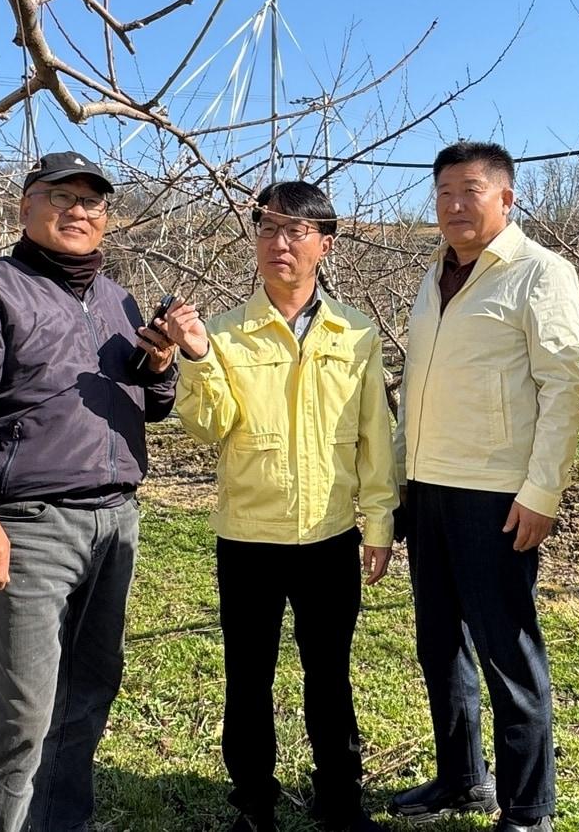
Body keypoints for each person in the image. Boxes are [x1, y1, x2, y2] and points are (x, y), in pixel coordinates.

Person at [0, 151, 180, 832]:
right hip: (28, 524)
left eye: (92, 202)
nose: (77, 211)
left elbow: (151, 405)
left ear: (107, 218)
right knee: (20, 716)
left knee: (87, 699)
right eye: (59, 196)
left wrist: (157, 364)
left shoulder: (118, 299)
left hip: (116, 521)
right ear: (25, 208)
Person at [158, 181, 397, 832]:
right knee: (248, 678)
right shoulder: (229, 334)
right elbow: (209, 427)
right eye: (267, 229)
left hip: (328, 534)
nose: (279, 243)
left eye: (296, 231)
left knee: (329, 678)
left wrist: (378, 522)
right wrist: (199, 356)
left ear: (326, 243)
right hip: (249, 536)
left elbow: (376, 436)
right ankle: (254, 804)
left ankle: (340, 801)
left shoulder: (356, 334)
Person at [388, 142, 579, 832]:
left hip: (497, 494)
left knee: (508, 650)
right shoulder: (434, 271)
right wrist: (400, 478)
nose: (453, 205)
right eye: (443, 191)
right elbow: (416, 386)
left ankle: (529, 808)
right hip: (429, 487)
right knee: (437, 643)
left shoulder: (539, 271)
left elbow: (563, 387)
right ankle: (462, 779)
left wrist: (542, 491)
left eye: (469, 190)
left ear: (507, 198)